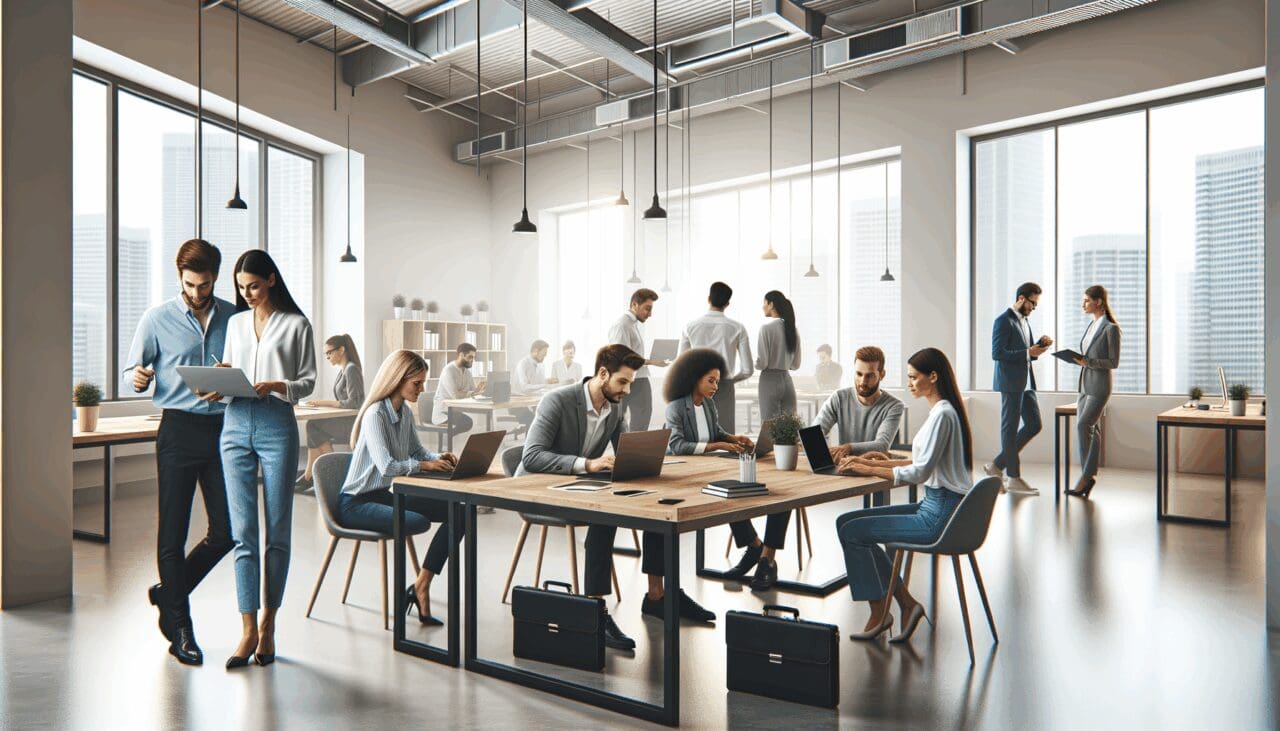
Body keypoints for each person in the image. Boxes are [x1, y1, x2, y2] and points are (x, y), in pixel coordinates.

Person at [519, 344, 715, 652]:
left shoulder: (615, 406)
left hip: (579, 483)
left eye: (631, 384)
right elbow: (531, 457)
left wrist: (643, 459)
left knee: (654, 502)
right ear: (602, 374)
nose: (626, 390)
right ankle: (596, 610)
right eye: (622, 382)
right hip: (537, 488)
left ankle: (657, 597)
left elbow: (623, 450)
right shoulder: (556, 401)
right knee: (607, 511)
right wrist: (587, 464)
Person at [124, 238, 235, 666]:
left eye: (204, 285)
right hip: (177, 430)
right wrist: (138, 377)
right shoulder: (157, 318)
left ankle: (169, 591)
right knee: (172, 530)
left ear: (215, 279)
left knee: (226, 532)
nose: (196, 293)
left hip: (223, 430)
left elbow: (252, 367)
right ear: (179, 278)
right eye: (190, 285)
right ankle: (180, 628)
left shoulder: (236, 317)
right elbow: (138, 369)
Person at [833, 347, 973, 643]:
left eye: (913, 377)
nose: (909, 383)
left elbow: (919, 473)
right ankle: (906, 604)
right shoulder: (942, 411)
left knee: (855, 532)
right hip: (938, 506)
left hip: (939, 516)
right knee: (846, 521)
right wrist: (870, 463)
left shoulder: (943, 415)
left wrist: (863, 467)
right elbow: (917, 461)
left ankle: (880, 611)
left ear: (932, 377)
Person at [218, 250, 316, 669]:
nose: (247, 294)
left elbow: (308, 382)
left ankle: (270, 624)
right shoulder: (236, 323)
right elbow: (228, 369)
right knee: (243, 533)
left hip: (278, 425)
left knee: (277, 531)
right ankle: (247, 629)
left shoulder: (297, 325)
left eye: (254, 286)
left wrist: (278, 384)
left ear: (272, 279)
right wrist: (217, 381)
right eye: (241, 288)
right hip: (235, 423)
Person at [341, 350, 462, 625]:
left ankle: (421, 584)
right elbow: (387, 466)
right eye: (416, 383)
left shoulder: (404, 412)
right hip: (355, 503)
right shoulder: (375, 415)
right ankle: (416, 594)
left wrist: (439, 457)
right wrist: (425, 467)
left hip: (382, 496)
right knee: (417, 521)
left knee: (460, 512)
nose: (422, 389)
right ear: (398, 380)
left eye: (423, 383)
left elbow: (417, 451)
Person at [663, 348, 788, 590]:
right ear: (694, 378)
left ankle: (755, 549)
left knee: (754, 489)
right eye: (710, 381)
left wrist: (735, 438)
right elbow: (677, 445)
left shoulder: (708, 405)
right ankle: (757, 550)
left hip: (710, 468)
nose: (715, 387)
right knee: (730, 491)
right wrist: (721, 445)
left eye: (718, 382)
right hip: (684, 474)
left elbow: (717, 431)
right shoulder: (676, 408)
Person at [986, 282, 1051, 495]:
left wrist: (1039, 346)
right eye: (1033, 303)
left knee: (1034, 424)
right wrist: (1027, 352)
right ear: (1022, 298)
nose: (1034, 308)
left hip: (1026, 383)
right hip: (1011, 382)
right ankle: (1013, 477)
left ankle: (996, 465)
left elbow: (1028, 352)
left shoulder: (1025, 322)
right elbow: (997, 353)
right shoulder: (1003, 321)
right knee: (1010, 428)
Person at [1066, 285, 1121, 499]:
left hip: (1099, 386)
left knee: (1083, 425)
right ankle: (1089, 475)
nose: (1083, 304)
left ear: (1099, 302)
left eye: (1087, 300)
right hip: (1084, 384)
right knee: (1091, 428)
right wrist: (1080, 360)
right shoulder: (1091, 325)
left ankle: (1086, 476)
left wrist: (1087, 361)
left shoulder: (1111, 328)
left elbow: (1113, 362)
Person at [677, 281, 753, 433]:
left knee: (696, 433)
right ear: (727, 304)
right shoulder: (737, 328)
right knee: (726, 434)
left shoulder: (690, 326)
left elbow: (680, 363)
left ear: (708, 299)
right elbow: (747, 370)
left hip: (696, 385)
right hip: (724, 385)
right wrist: (729, 380)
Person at [296, 334, 364, 493]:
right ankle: (313, 475)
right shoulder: (343, 370)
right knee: (313, 425)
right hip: (346, 420)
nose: (327, 357)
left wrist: (323, 403)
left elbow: (356, 403)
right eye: (325, 354)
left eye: (329, 352)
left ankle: (333, 476)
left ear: (341, 350)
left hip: (353, 424)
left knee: (314, 426)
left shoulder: (351, 369)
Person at [814, 346, 905, 461]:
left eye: (870, 375)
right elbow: (813, 435)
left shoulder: (894, 406)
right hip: (845, 467)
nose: (863, 381)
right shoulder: (838, 398)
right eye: (859, 374)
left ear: (882, 375)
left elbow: (882, 445)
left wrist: (848, 448)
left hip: (874, 471)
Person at [608, 288, 670, 431]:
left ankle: (635, 451)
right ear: (635, 304)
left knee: (641, 420)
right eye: (647, 309)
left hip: (639, 378)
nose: (650, 314)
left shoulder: (632, 324)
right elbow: (621, 357)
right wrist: (651, 361)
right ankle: (627, 452)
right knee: (620, 423)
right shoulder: (622, 325)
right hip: (626, 381)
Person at [755, 290, 801, 421]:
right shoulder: (793, 329)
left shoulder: (766, 329)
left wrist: (754, 362)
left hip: (769, 379)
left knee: (769, 426)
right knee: (789, 426)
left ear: (771, 304)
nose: (763, 306)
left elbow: (762, 363)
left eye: (764, 302)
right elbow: (796, 364)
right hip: (787, 380)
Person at [431, 343, 486, 438]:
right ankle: (447, 442)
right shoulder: (448, 370)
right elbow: (455, 396)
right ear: (461, 355)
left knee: (468, 422)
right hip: (443, 411)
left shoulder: (467, 372)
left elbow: (473, 391)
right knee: (466, 423)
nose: (472, 360)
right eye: (470, 357)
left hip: (454, 411)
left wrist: (481, 390)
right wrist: (472, 393)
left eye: (473, 357)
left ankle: (448, 440)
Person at [510, 339, 550, 429]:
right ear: (535, 351)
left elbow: (539, 386)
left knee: (550, 417)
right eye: (543, 354)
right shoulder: (523, 364)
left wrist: (548, 387)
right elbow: (524, 387)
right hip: (518, 404)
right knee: (535, 420)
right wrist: (545, 384)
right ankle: (530, 443)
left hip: (534, 402)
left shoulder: (541, 365)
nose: (545, 356)